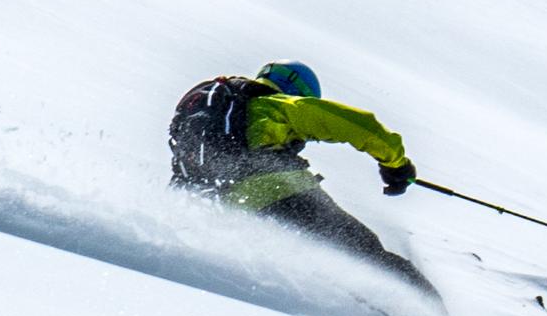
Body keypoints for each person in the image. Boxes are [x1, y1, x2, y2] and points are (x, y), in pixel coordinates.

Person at [169, 60, 422, 279]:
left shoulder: (219, 112)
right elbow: (361, 125)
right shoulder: (275, 106)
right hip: (286, 197)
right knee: (371, 259)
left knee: (329, 267)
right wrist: (396, 164)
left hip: (235, 210)